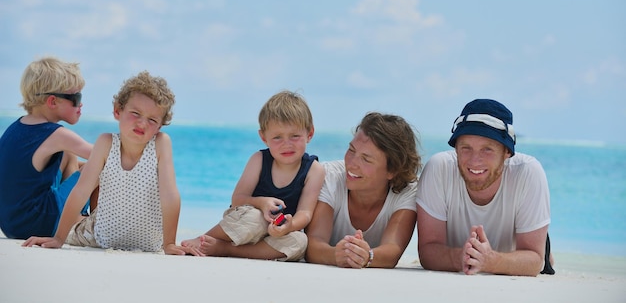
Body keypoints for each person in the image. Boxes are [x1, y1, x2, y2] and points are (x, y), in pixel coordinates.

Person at [23, 71, 198, 256]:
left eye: (152, 119)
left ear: (159, 127)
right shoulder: (106, 143)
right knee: (78, 224)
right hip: (99, 236)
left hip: (149, 242)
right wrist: (58, 238)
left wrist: (169, 243)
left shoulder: (161, 144)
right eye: (135, 113)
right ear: (117, 111)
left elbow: (170, 195)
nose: (142, 123)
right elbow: (81, 191)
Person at [416, 98, 555, 276]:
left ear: (507, 153)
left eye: (487, 149)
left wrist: (490, 261)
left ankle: (545, 245)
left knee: (544, 257)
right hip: (466, 256)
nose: (475, 160)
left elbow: (535, 261)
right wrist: (462, 257)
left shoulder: (528, 172)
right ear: (456, 149)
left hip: (513, 254)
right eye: (466, 148)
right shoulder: (439, 168)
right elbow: (428, 252)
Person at [182, 90, 325, 261]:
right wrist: (261, 203)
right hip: (248, 222)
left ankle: (227, 249)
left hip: (278, 231)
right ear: (264, 137)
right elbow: (237, 199)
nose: (287, 144)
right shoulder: (259, 160)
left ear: (309, 134)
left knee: (300, 241)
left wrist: (289, 225)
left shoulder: (314, 169)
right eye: (277, 137)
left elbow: (305, 213)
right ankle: (203, 239)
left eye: (294, 136)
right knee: (256, 219)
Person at [305, 112, 421, 268]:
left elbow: (393, 250)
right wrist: (336, 255)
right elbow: (313, 243)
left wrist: (367, 256)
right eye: (352, 150)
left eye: (366, 159)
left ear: (392, 170)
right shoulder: (330, 177)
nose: (352, 163)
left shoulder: (408, 191)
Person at [0, 56, 93, 239]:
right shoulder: (56, 134)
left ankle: (76, 216)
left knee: (69, 154)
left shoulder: (15, 129)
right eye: (76, 97)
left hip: (12, 225)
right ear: (52, 102)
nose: (80, 104)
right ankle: (93, 225)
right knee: (99, 167)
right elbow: (105, 155)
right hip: (39, 223)